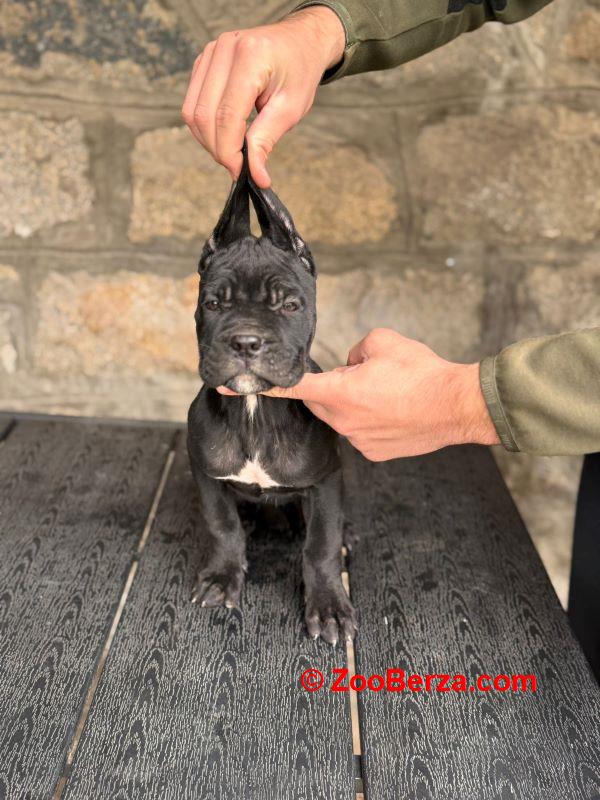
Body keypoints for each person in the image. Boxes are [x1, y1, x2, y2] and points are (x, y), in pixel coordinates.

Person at [181, 0, 600, 675]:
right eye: (222, 304)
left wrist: (473, 398)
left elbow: (325, 485)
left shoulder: (309, 428)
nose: (249, 335)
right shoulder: (205, 422)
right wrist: (326, 26)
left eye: (282, 304)